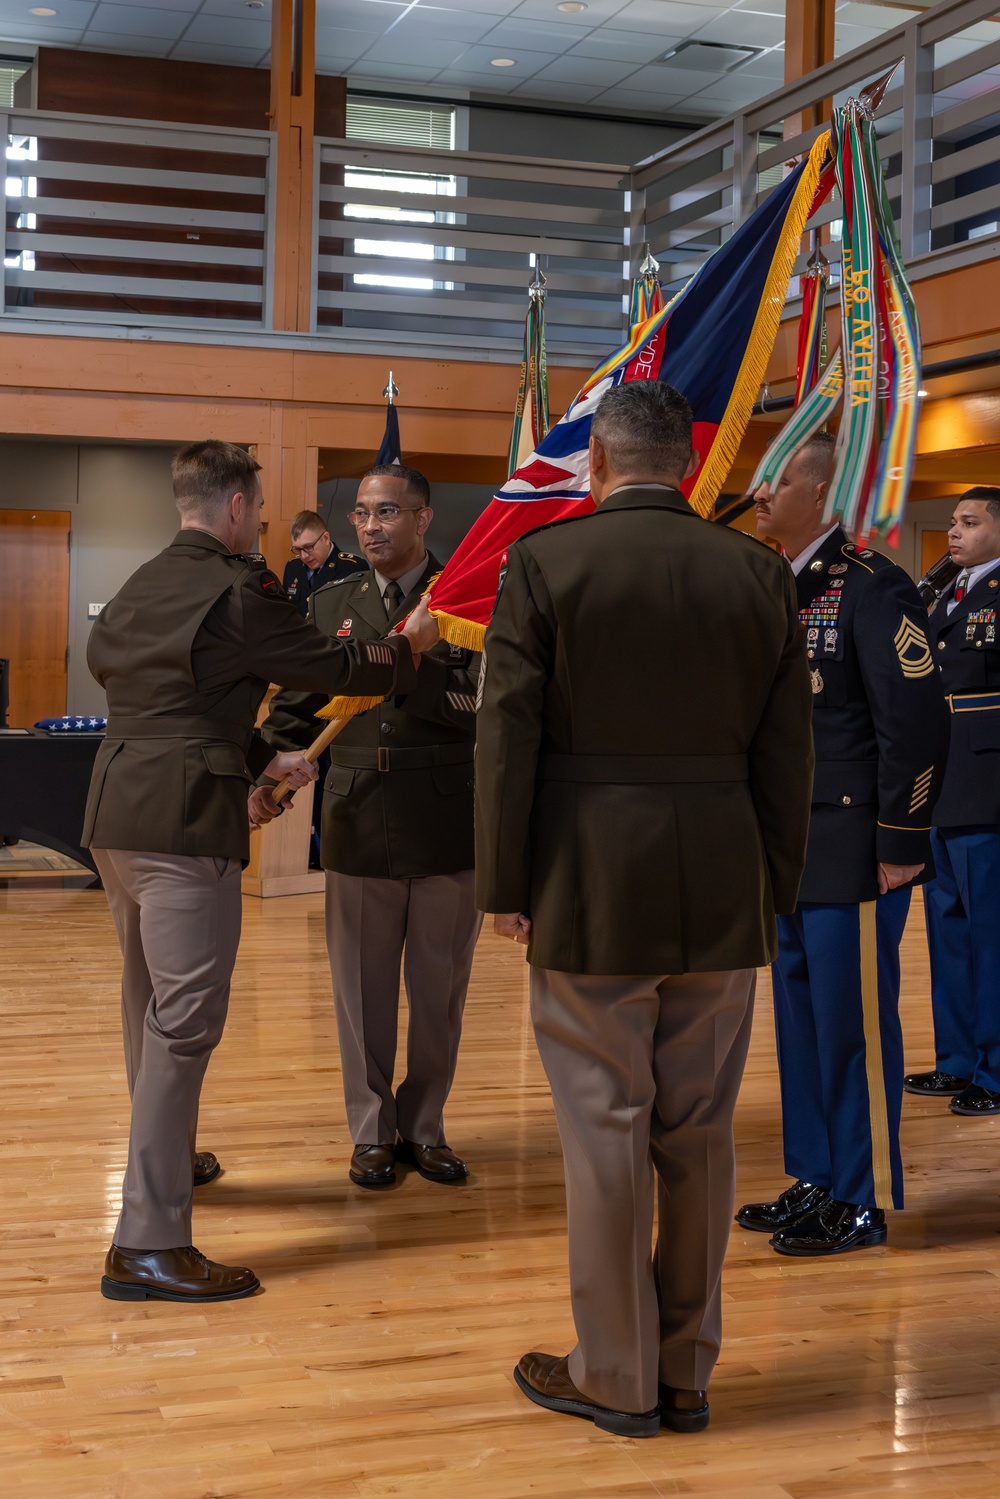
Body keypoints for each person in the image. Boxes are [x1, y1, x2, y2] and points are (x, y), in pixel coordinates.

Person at [475, 381, 814, 1439]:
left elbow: (506, 737)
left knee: (605, 1130)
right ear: (689, 464)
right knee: (700, 1135)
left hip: (588, 878)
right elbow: (788, 754)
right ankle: (684, 1370)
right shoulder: (759, 570)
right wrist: (775, 883)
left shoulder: (545, 562)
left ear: (598, 462)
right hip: (721, 876)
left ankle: (616, 1374)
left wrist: (503, 884)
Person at [84, 441, 437, 1305]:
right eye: (260, 510)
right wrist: (408, 649)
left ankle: (169, 1155)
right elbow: (334, 666)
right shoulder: (240, 588)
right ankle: (149, 1241)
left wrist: (258, 758)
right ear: (238, 507)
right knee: (184, 1024)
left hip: (116, 813)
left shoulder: (139, 585)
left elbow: (165, 694)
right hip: (182, 823)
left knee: (147, 1006)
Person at [736, 433, 950, 1257]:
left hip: (856, 846)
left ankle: (862, 1196)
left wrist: (902, 838)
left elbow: (915, 720)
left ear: (823, 494)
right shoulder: (773, 582)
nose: (760, 493)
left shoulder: (871, 584)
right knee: (801, 1021)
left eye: (778, 479)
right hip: (788, 843)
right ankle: (818, 1174)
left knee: (851, 1024)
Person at [254, 464, 480, 1189]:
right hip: (355, 813)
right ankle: (373, 1130)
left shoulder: (468, 597)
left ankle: (426, 1125)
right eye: (360, 513)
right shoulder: (331, 602)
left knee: (439, 993)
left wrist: (407, 662)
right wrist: (266, 772)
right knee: (361, 990)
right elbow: (298, 702)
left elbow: (487, 702)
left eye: (386, 512)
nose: (370, 526)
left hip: (446, 817)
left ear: (423, 518)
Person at [904, 486, 1000, 1115]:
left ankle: (995, 1070)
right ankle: (957, 1060)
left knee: (991, 935)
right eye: (952, 523)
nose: (955, 533)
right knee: (949, 930)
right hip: (940, 785)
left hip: (988, 785)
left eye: (970, 522)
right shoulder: (944, 592)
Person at [282, 509, 366, 617]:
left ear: (325, 538)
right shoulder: (293, 567)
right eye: (298, 549)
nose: (303, 556)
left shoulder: (352, 567)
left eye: (308, 547)